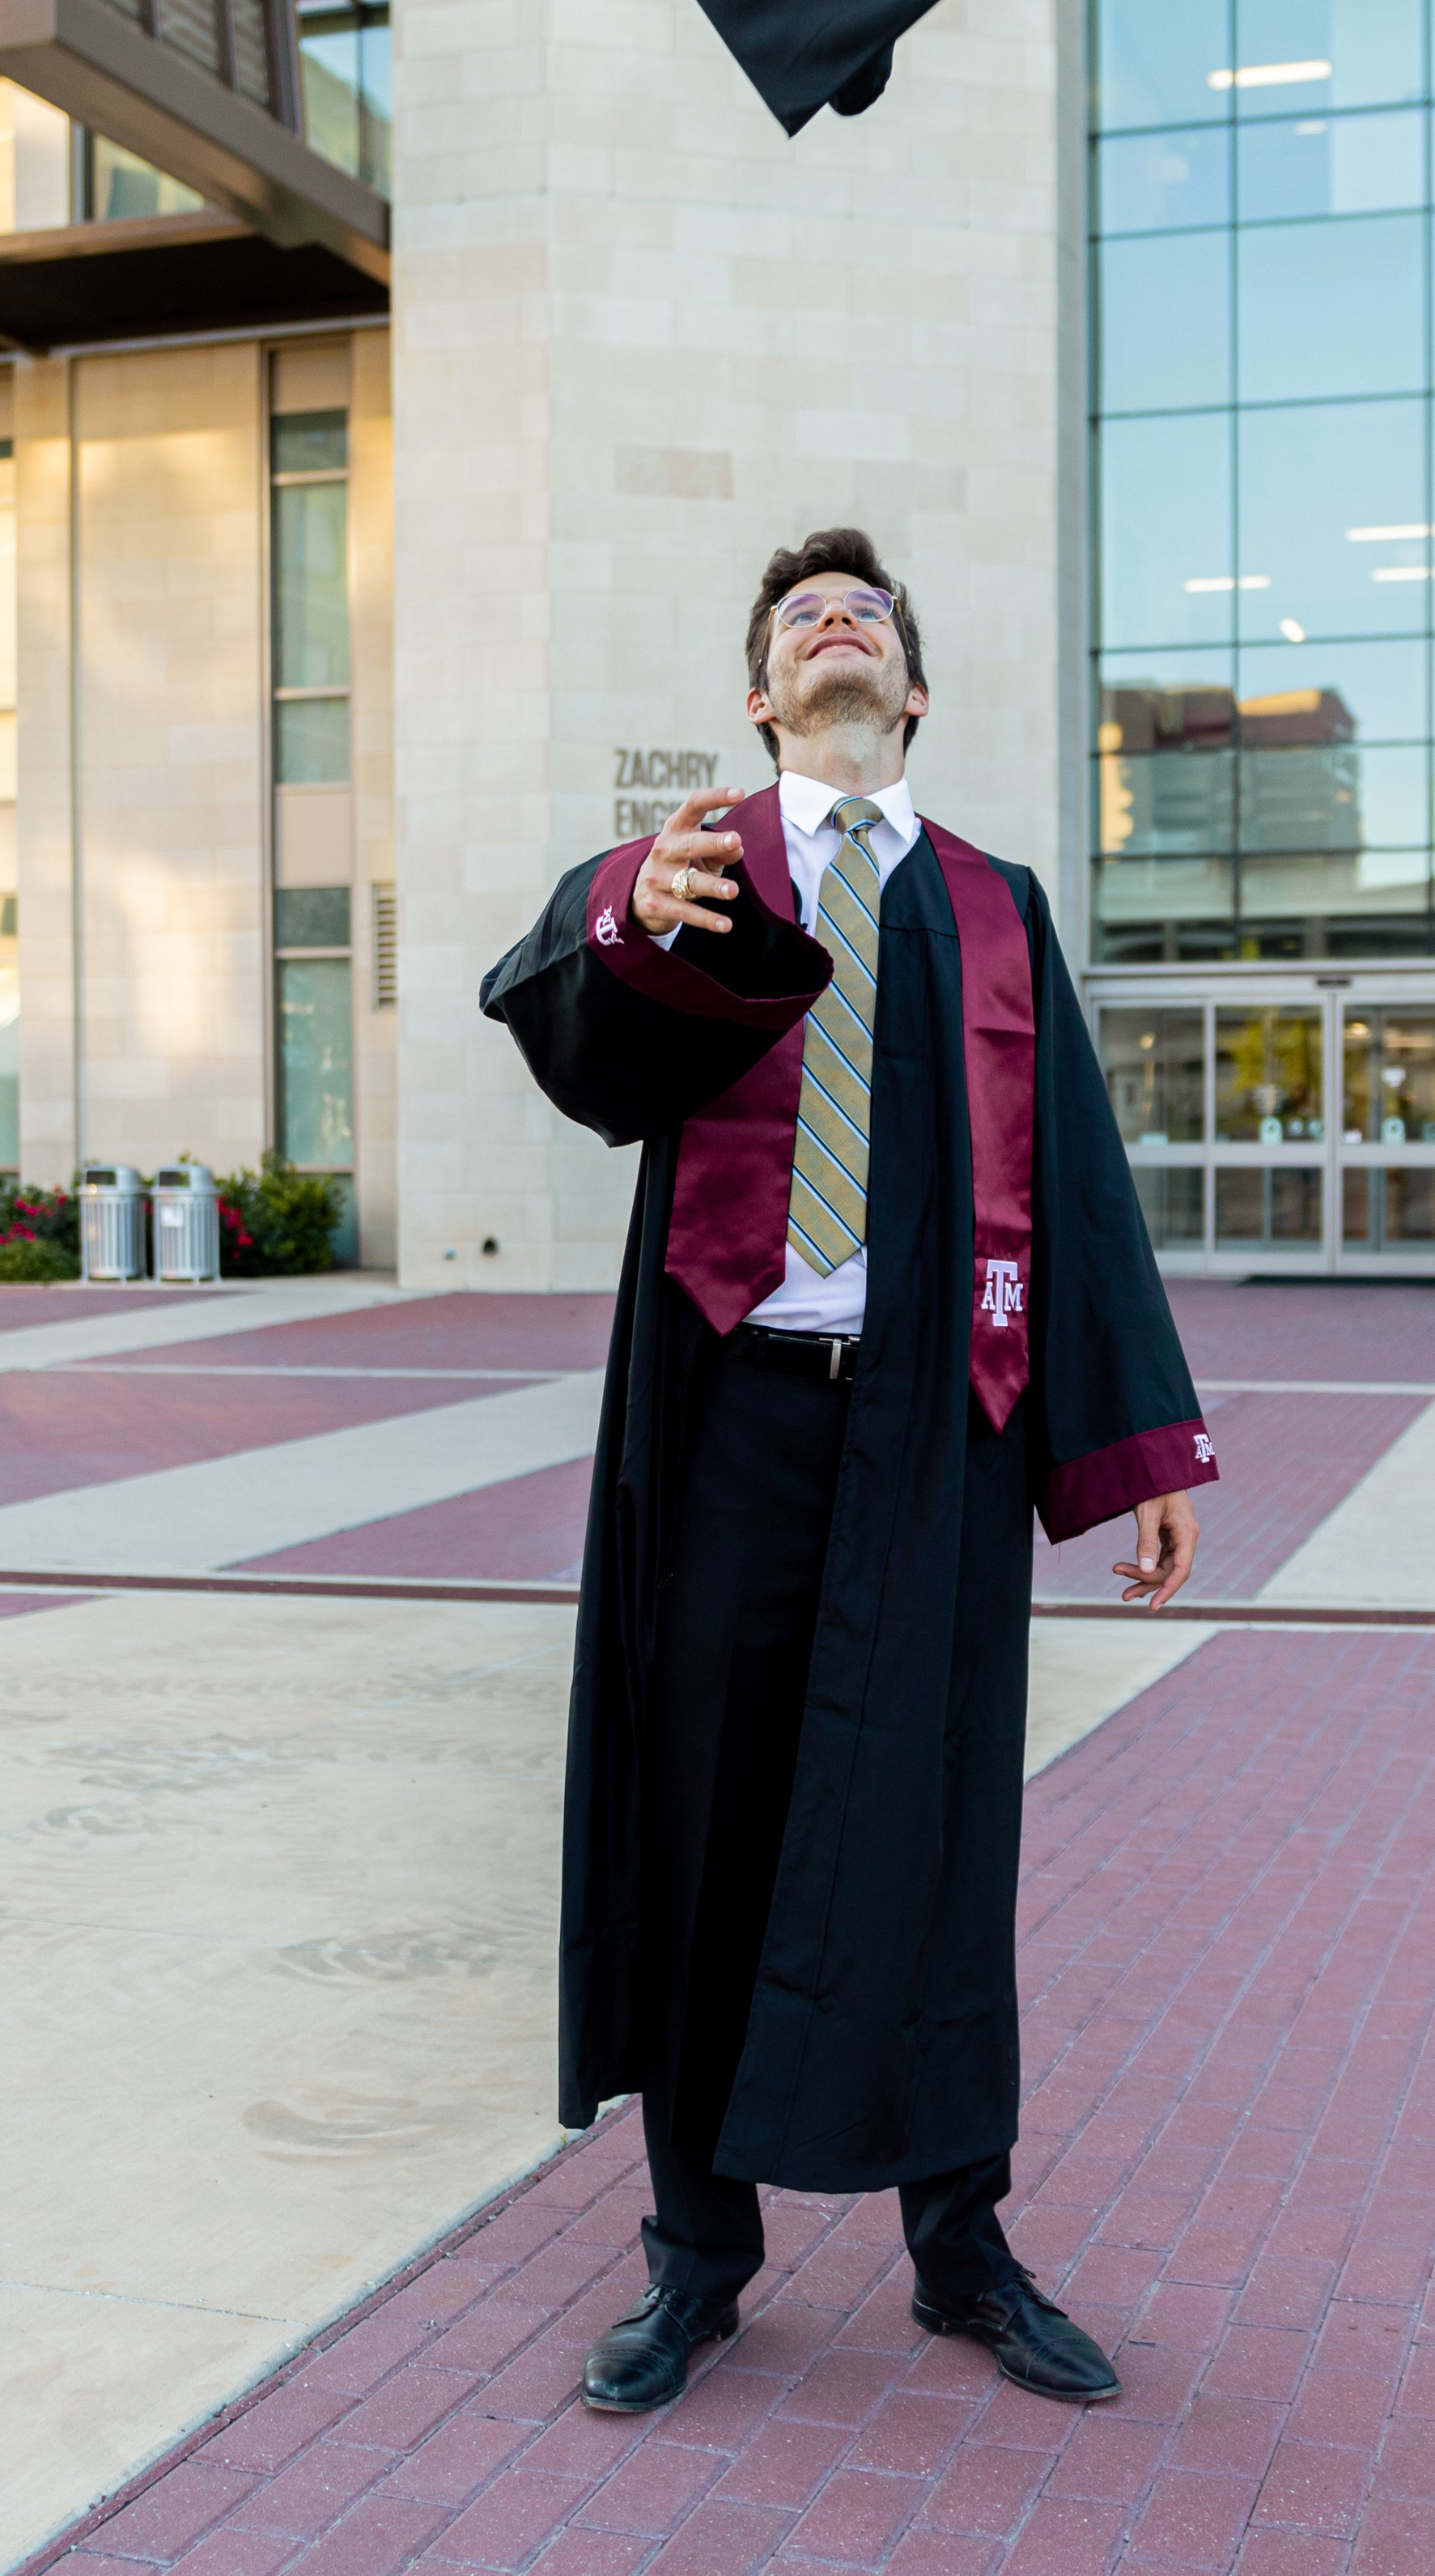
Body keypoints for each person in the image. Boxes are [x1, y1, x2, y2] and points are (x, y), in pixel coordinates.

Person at [482, 526, 1216, 2418]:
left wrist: (1134, 1440)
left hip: (934, 1437)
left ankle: (956, 2246)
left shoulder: (992, 904)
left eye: (864, 620)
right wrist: (629, 910)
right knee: (701, 1815)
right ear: (757, 693)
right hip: (730, 1412)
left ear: (908, 691)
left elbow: (1069, 1184)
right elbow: (582, 1048)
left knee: (941, 1830)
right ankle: (695, 2261)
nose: (833, 631)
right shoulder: (694, 873)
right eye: (799, 618)